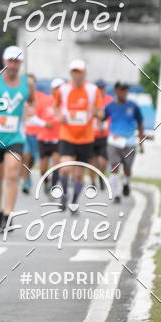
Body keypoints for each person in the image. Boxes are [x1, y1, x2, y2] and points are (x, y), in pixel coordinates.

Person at [0, 46, 33, 233]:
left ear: (20, 63)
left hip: (15, 136)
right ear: (4, 61)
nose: (13, 65)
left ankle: (8, 214)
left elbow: (32, 100)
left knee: (12, 172)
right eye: (10, 61)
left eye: (17, 62)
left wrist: (30, 110)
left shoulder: (27, 83)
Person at [53, 59, 103, 211]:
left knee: (79, 175)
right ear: (70, 73)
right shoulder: (63, 89)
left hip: (86, 138)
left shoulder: (93, 91)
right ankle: (64, 195)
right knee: (65, 168)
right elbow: (56, 106)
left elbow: (101, 112)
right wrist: (59, 115)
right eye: (74, 72)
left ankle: (74, 201)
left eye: (80, 72)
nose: (77, 75)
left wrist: (96, 113)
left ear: (84, 73)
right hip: (67, 135)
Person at [104, 82, 145, 203]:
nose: (124, 93)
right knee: (115, 165)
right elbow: (102, 118)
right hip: (114, 141)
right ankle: (116, 194)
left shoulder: (133, 106)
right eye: (122, 90)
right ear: (116, 91)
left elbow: (140, 124)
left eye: (126, 90)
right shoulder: (110, 106)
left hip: (129, 142)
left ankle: (126, 182)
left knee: (127, 167)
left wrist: (141, 142)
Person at [36, 78, 63, 193]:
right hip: (44, 138)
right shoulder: (43, 101)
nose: (58, 91)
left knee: (57, 165)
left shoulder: (65, 103)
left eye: (61, 88)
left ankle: (53, 187)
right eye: (56, 88)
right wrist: (45, 123)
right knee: (43, 168)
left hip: (58, 138)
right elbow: (34, 118)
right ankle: (46, 182)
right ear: (52, 90)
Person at [90, 79, 113, 188]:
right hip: (91, 135)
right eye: (98, 89)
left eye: (102, 89)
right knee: (92, 161)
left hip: (105, 136)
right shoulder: (91, 101)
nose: (100, 91)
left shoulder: (110, 101)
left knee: (103, 162)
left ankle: (101, 175)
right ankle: (93, 182)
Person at [21, 73, 40, 194]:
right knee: (25, 156)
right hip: (23, 132)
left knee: (32, 159)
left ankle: (27, 174)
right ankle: (26, 181)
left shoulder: (41, 98)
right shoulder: (19, 96)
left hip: (36, 133)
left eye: (31, 84)